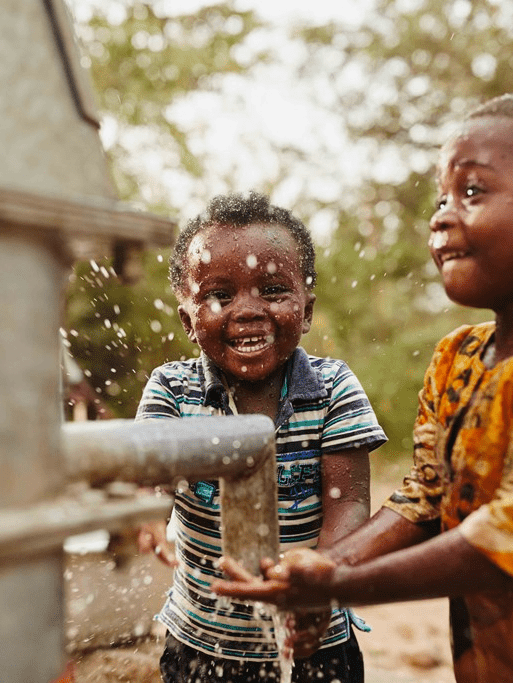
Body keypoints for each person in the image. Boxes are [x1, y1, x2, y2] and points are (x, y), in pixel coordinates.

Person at [213, 94, 513, 683]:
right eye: (442, 197)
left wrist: (343, 583)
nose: (441, 215)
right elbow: (429, 498)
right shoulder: (458, 356)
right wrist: (321, 570)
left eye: (472, 192)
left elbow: (510, 541)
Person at [135, 191, 387, 683]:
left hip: (316, 634)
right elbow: (152, 478)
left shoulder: (333, 388)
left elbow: (348, 505)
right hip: (201, 642)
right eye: (219, 295)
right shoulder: (172, 389)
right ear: (188, 319)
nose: (248, 311)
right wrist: (144, 515)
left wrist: (320, 576)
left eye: (272, 290)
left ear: (307, 309)